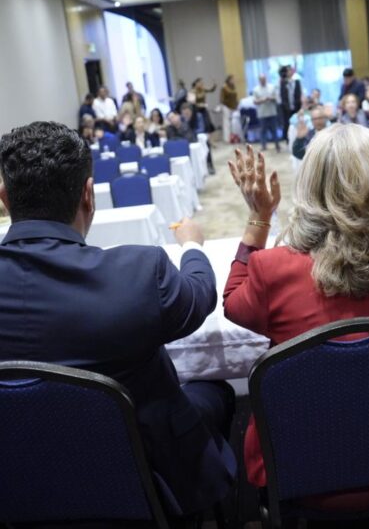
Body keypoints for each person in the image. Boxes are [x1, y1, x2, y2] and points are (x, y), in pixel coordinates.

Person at [0, 122, 236, 514]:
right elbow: (200, 297)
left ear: (5, 198)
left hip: (18, 486)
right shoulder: (140, 273)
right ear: (88, 195)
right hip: (147, 486)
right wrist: (192, 246)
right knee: (217, 390)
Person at [223, 126, 369, 490]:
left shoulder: (273, 270)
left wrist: (259, 217)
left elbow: (233, 304)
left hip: (301, 473)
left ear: (310, 189)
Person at [253, 74, 280, 153]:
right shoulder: (256, 89)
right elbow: (255, 101)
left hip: (272, 112)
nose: (263, 80)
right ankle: (263, 146)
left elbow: (277, 98)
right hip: (262, 114)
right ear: (259, 80)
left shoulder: (272, 87)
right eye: (261, 79)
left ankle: (277, 145)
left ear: (266, 79)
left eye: (264, 79)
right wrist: (262, 100)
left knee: (274, 130)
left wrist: (271, 98)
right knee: (263, 131)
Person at [279, 66, 302, 144]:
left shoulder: (297, 81)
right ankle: (288, 140)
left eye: (291, 70)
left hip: (296, 107)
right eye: (288, 71)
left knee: (297, 122)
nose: (290, 72)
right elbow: (282, 95)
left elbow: (299, 94)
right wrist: (286, 106)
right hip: (286, 108)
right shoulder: (283, 82)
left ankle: (297, 138)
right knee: (287, 124)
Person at [220, 75, 239, 144]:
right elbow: (222, 98)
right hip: (226, 106)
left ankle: (233, 137)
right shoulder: (224, 87)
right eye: (232, 79)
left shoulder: (233, 87)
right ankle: (227, 139)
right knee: (226, 123)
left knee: (233, 123)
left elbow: (235, 97)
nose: (233, 81)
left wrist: (236, 104)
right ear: (228, 80)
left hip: (233, 106)